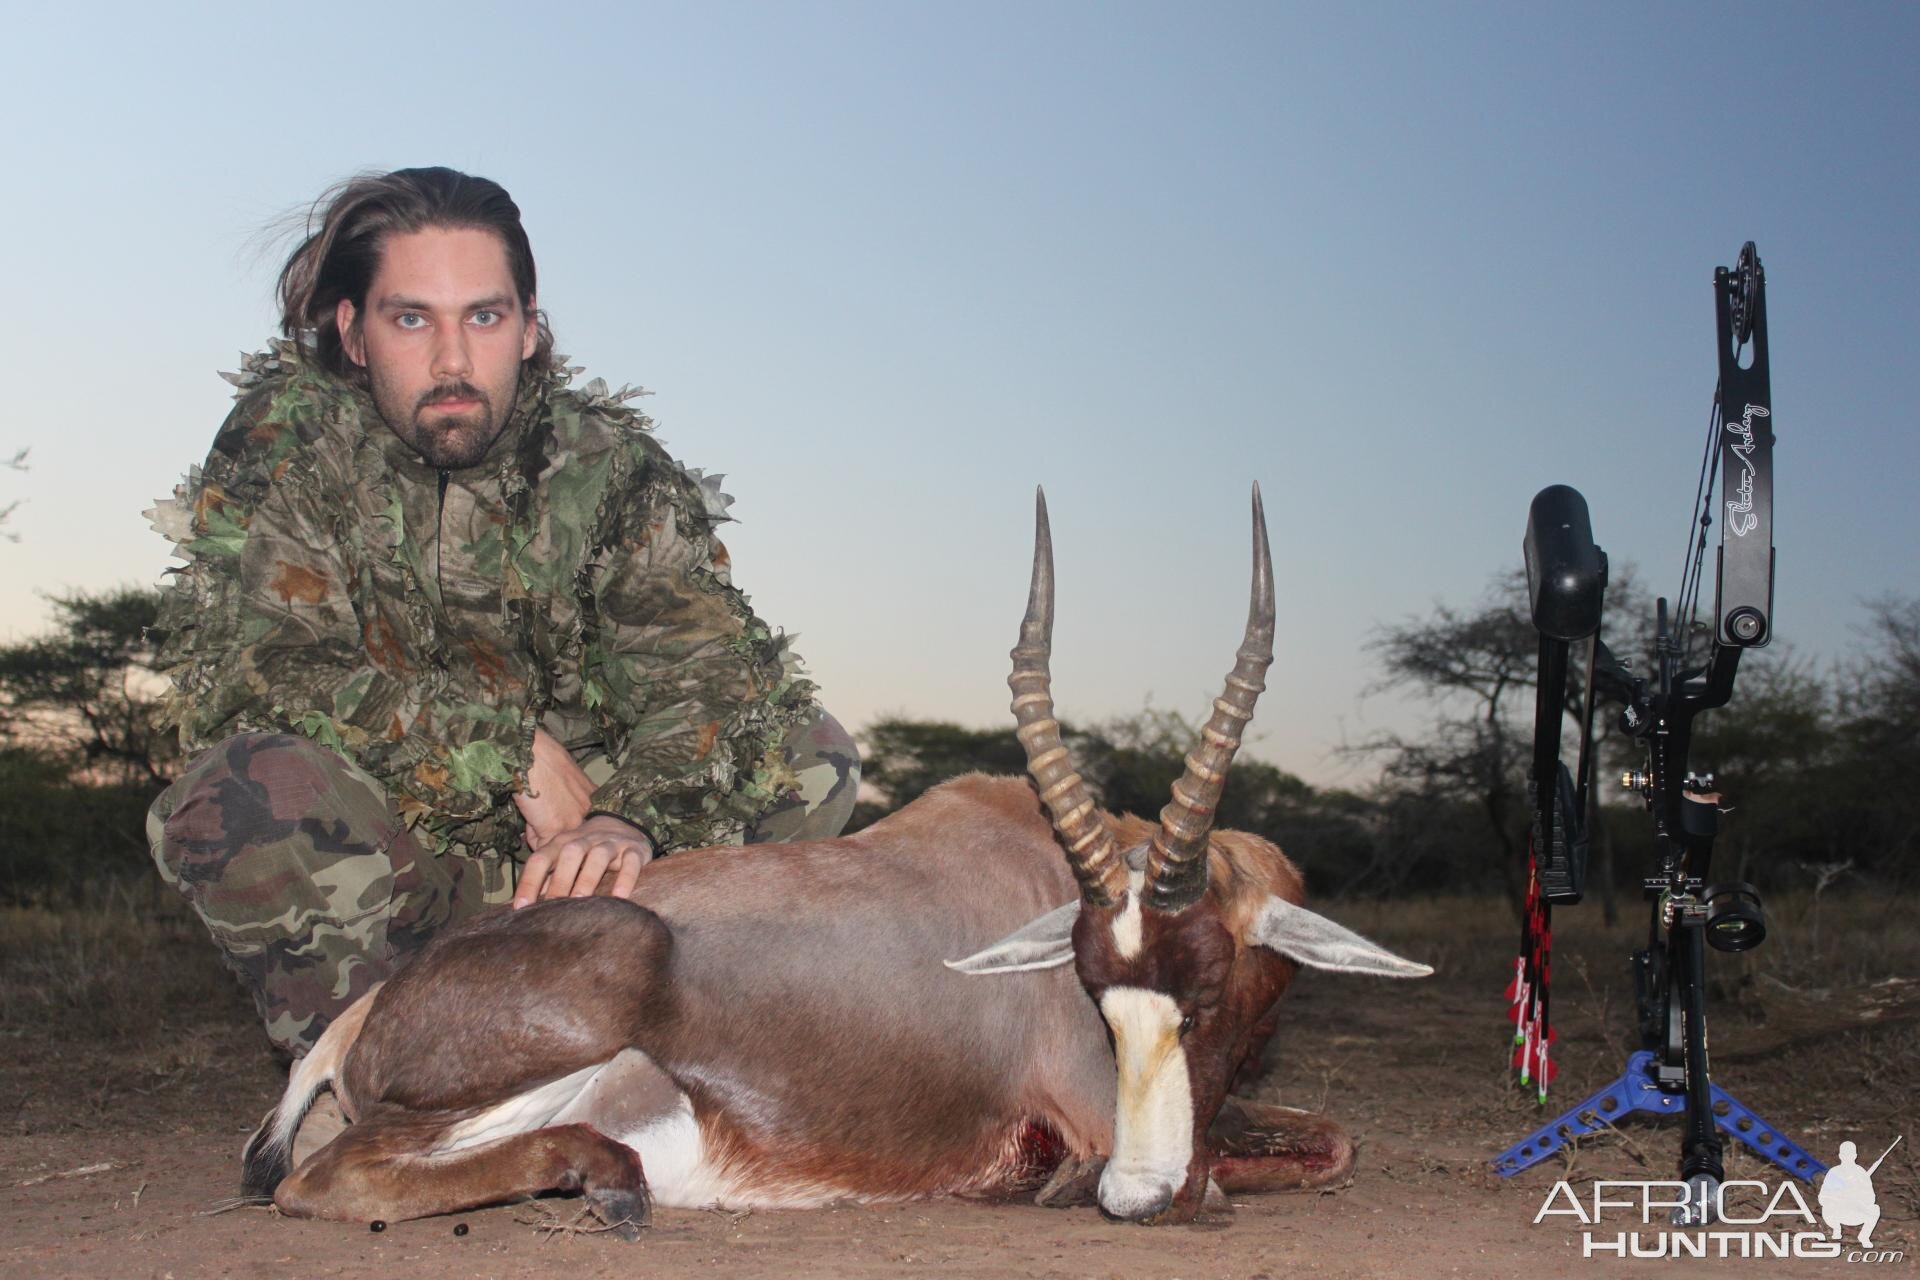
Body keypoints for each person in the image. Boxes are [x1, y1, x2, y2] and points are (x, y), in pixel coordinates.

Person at [146, 167, 858, 1059]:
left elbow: (709, 673)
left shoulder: (611, 468)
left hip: (592, 877)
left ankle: (640, 1034)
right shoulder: (284, 442)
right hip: (400, 871)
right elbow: (264, 670)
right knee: (242, 786)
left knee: (810, 753)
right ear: (353, 335)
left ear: (528, 328)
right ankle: (371, 1076)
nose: (453, 363)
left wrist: (624, 820)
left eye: (484, 317)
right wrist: (500, 750)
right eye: (412, 319)